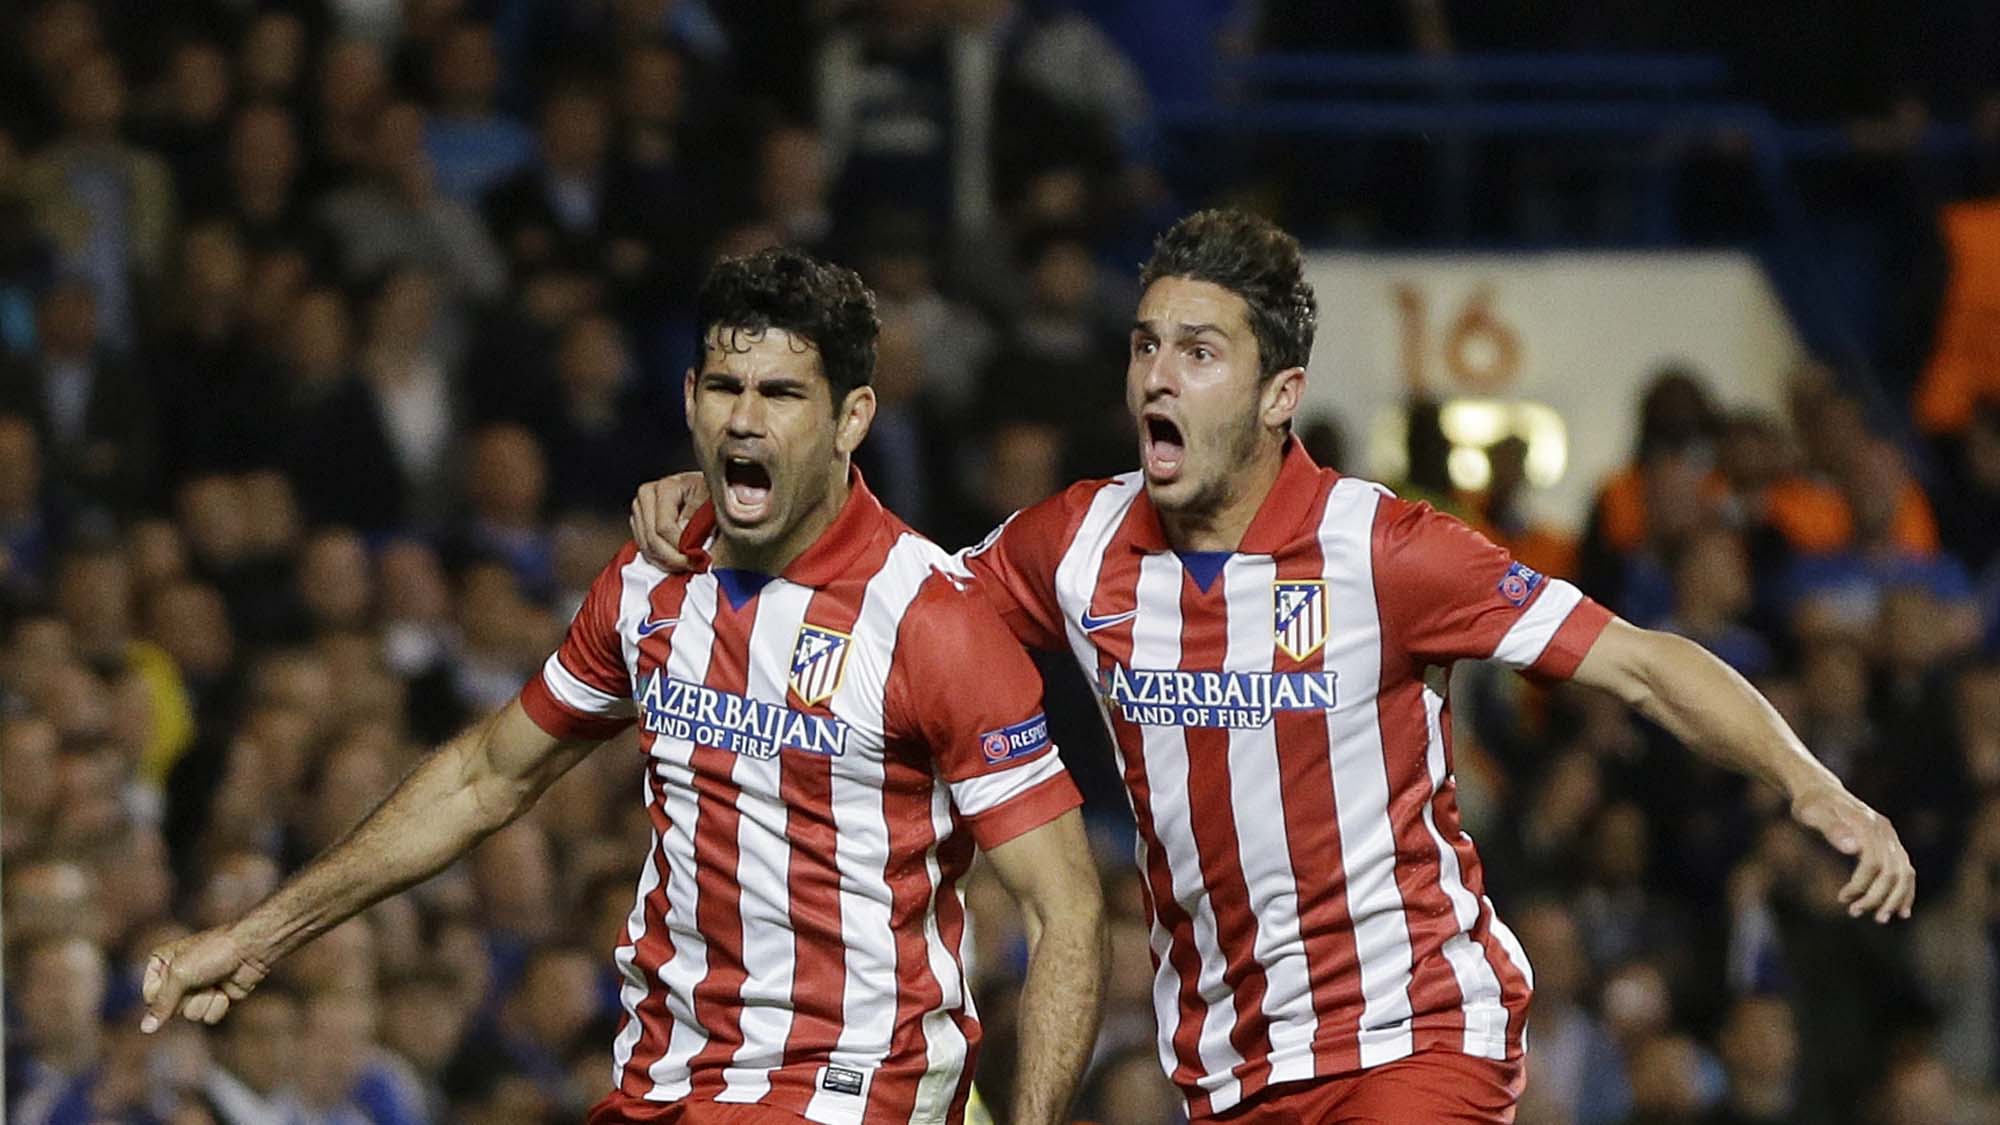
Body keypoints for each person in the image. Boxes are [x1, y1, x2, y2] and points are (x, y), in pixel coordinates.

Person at [630, 210, 1916, 1122]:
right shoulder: (1072, 542)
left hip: (1413, 1036)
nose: (1154, 375)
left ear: (1278, 392)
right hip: (1227, 1069)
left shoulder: (1384, 552)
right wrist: (753, 486)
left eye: (1197, 351)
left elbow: (1639, 665)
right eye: (1144, 344)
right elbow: (886, 605)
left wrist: (1816, 788)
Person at [141, 248, 1107, 1125]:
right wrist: (262, 936)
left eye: (782, 392)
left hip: (846, 1086)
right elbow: (486, 777)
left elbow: (1063, 905)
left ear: (852, 417)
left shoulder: (927, 617)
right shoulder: (650, 581)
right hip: (665, 1082)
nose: (746, 417)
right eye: (726, 386)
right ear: (689, 397)